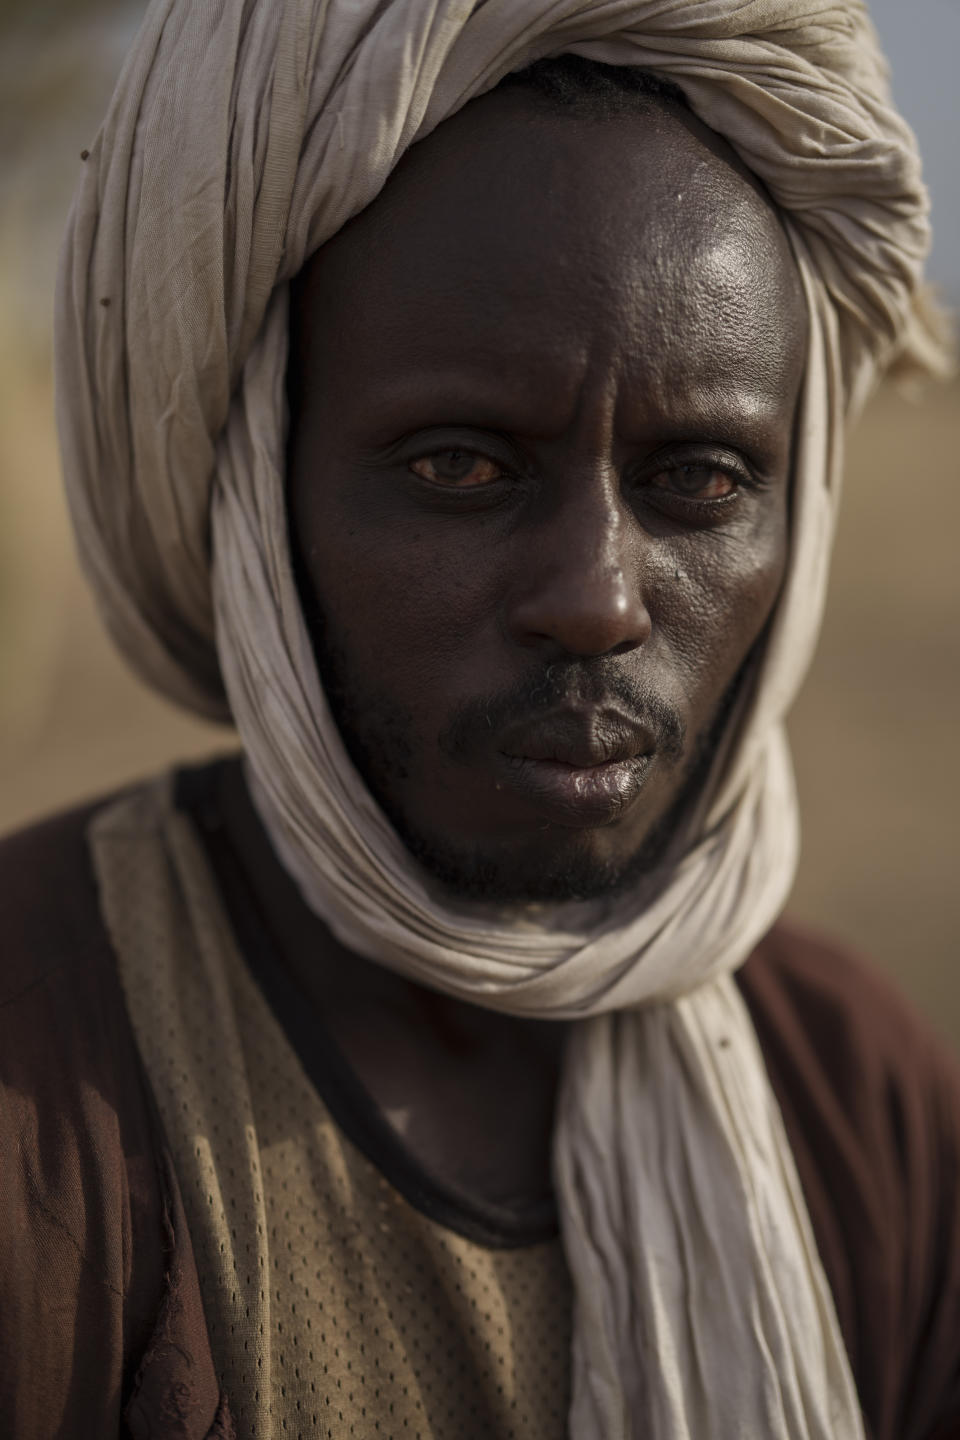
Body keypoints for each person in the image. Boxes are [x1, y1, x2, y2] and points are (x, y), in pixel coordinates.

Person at [2, 1, 958, 1437]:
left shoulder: (856, 1101)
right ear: (261, 494)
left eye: (699, 479)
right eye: (459, 466)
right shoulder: (41, 1067)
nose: (596, 600)